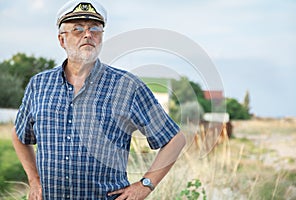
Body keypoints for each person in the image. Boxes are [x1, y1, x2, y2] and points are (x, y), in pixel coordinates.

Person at [12, 0, 186, 199]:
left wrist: (146, 185)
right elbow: (19, 135)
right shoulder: (39, 84)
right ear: (62, 40)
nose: (88, 34)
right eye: (77, 29)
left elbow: (175, 139)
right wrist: (34, 181)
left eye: (95, 29)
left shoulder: (127, 86)